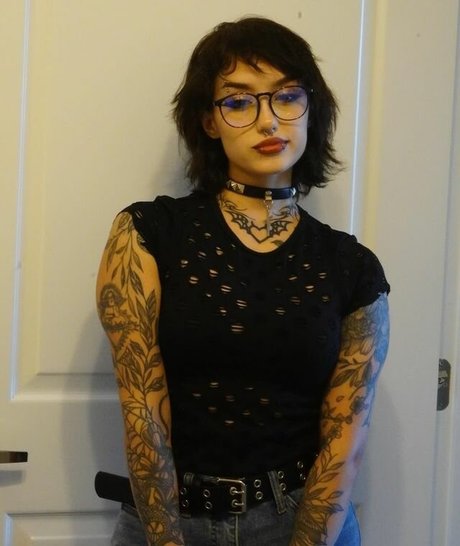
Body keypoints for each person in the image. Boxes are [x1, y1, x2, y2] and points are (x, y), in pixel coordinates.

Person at [96, 16, 390, 546]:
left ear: (311, 109)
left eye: (287, 96)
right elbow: (141, 410)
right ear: (209, 121)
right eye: (239, 101)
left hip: (302, 519)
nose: (268, 120)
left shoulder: (355, 268)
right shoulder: (147, 233)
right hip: (165, 518)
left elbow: (345, 441)